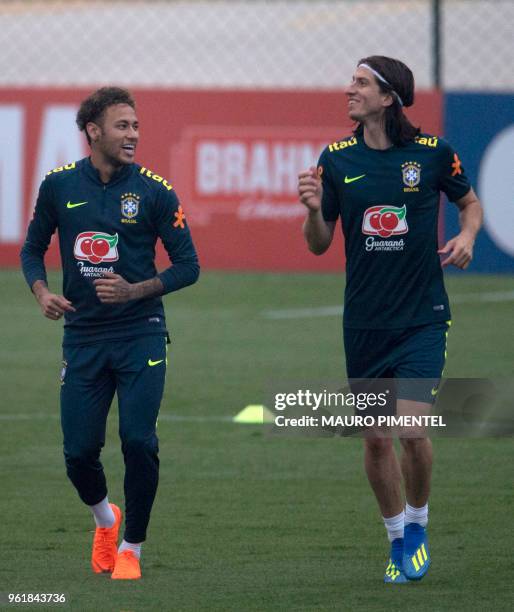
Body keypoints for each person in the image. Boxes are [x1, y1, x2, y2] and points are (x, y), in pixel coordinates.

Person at [298, 56, 482, 583]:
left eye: (360, 83)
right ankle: (397, 536)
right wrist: (312, 210)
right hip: (364, 323)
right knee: (376, 439)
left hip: (423, 318)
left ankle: (419, 522)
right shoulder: (334, 159)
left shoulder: (431, 155)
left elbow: (469, 204)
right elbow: (317, 246)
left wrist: (467, 236)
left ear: (388, 97)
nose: (348, 90)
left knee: (410, 429)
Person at [21, 87, 199, 580]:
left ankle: (132, 549)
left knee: (138, 441)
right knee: (78, 452)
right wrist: (41, 292)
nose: (133, 136)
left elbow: (189, 266)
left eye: (136, 127)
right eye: (123, 126)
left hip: (141, 332)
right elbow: (32, 249)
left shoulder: (155, 191)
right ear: (93, 131)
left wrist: (136, 290)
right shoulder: (58, 186)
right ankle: (105, 517)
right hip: (81, 339)